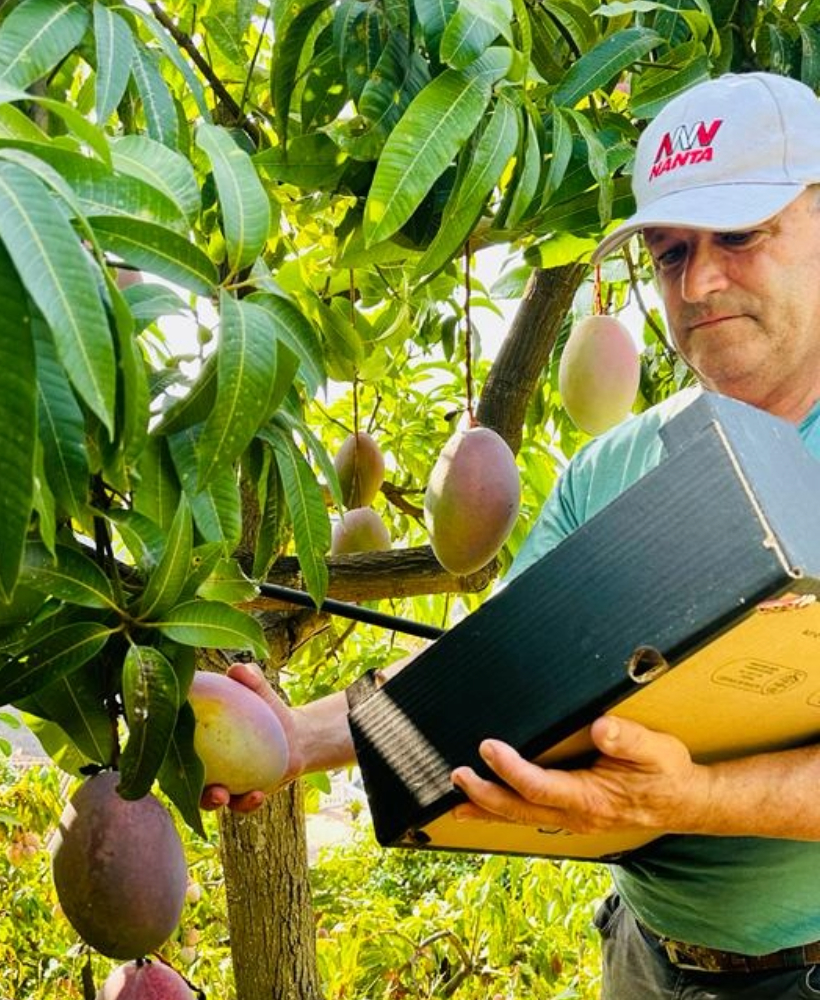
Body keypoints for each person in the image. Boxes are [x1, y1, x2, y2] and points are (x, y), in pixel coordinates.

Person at [204, 71, 820, 999]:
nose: (698, 282)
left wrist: (692, 799)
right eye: (667, 251)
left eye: (740, 235)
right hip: (645, 961)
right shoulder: (611, 470)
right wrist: (297, 738)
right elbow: (496, 673)